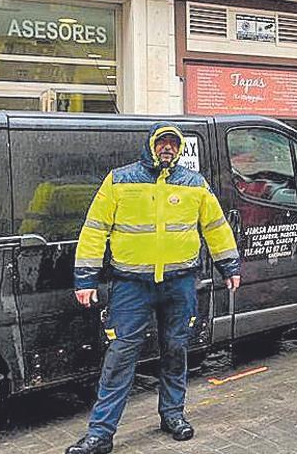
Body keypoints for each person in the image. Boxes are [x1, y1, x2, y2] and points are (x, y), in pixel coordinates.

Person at [67, 124, 241, 454]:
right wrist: (86, 278)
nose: (167, 148)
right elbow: (94, 230)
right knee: (120, 357)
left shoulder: (194, 184)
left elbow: (216, 228)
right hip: (131, 286)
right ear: (150, 145)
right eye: (162, 142)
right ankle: (100, 434)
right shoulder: (119, 180)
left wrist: (229, 266)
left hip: (180, 284)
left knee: (176, 351)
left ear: (179, 149)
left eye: (173, 144)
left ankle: (172, 415)